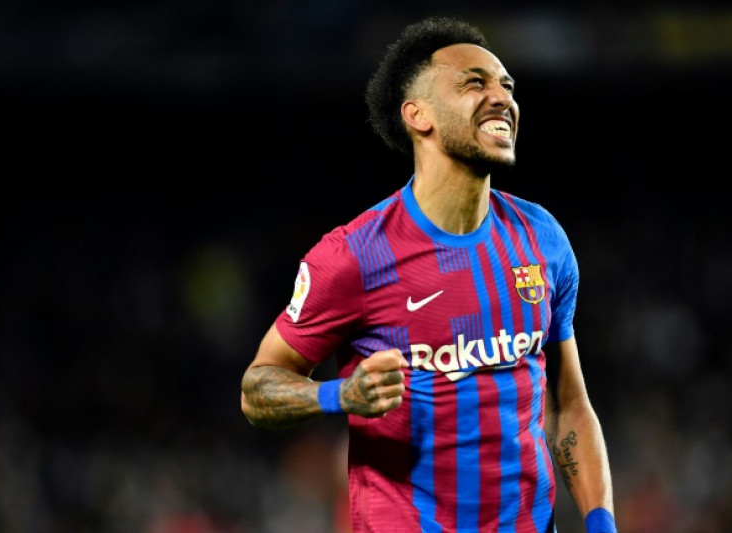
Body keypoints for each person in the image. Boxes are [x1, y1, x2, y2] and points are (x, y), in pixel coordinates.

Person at [240, 15, 617, 533]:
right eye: (474, 83)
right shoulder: (355, 255)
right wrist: (338, 396)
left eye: (507, 86)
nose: (501, 97)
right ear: (418, 115)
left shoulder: (541, 239)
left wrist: (601, 524)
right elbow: (257, 388)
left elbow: (569, 406)